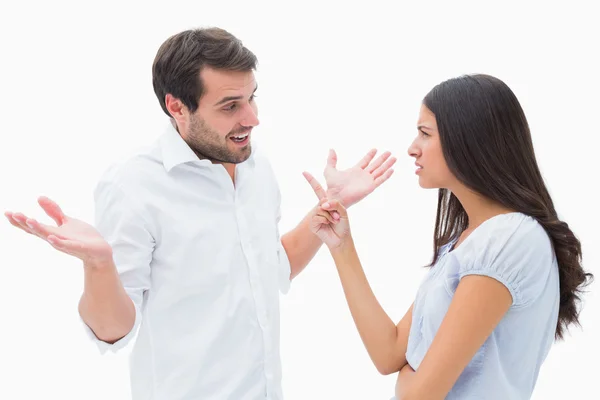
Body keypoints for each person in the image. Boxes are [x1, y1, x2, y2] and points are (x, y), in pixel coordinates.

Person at [4, 27, 397, 399]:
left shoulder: (255, 166)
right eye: (231, 106)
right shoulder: (134, 186)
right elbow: (112, 330)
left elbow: (270, 267)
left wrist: (329, 204)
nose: (252, 118)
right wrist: (100, 265)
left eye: (252, 97)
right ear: (177, 107)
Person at [305, 73, 594, 399]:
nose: (412, 149)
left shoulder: (509, 239)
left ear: (468, 141)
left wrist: (408, 380)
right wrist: (342, 246)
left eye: (425, 134)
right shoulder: (468, 242)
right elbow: (389, 354)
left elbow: (418, 396)